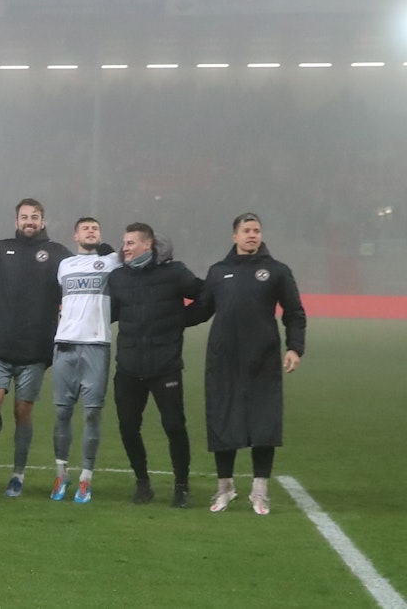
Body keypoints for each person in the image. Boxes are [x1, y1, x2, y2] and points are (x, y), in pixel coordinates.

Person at [186, 213, 305, 515]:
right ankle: (225, 488)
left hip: (262, 359)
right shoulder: (218, 271)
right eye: (246, 230)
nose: (252, 235)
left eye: (256, 230)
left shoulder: (276, 271)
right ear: (234, 236)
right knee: (223, 419)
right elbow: (201, 311)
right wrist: (163, 316)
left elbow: (294, 312)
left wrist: (294, 348)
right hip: (223, 359)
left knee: (263, 422)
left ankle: (260, 490)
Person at [0, 198, 70, 497]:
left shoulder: (57, 253)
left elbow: (79, 279)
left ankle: (18, 475)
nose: (29, 221)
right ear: (16, 221)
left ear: (43, 221)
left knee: (22, 411)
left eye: (35, 217)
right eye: (24, 216)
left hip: (35, 349)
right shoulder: (1, 249)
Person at [109, 222, 201, 507]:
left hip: (165, 366)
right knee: (127, 427)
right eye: (123, 243)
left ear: (147, 244)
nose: (124, 247)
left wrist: (181, 320)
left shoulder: (175, 273)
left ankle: (181, 486)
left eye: (130, 243)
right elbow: (110, 313)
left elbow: (205, 295)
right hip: (128, 366)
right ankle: (142, 482)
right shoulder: (118, 277)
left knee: (174, 426)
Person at [48, 218, 121, 504]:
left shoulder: (111, 261)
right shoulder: (64, 265)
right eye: (86, 228)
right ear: (75, 235)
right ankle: (61, 472)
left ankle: (86, 478)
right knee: (62, 413)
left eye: (96, 228)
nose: (91, 231)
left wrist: (106, 248)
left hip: (96, 345)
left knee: (92, 413)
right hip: (65, 345)